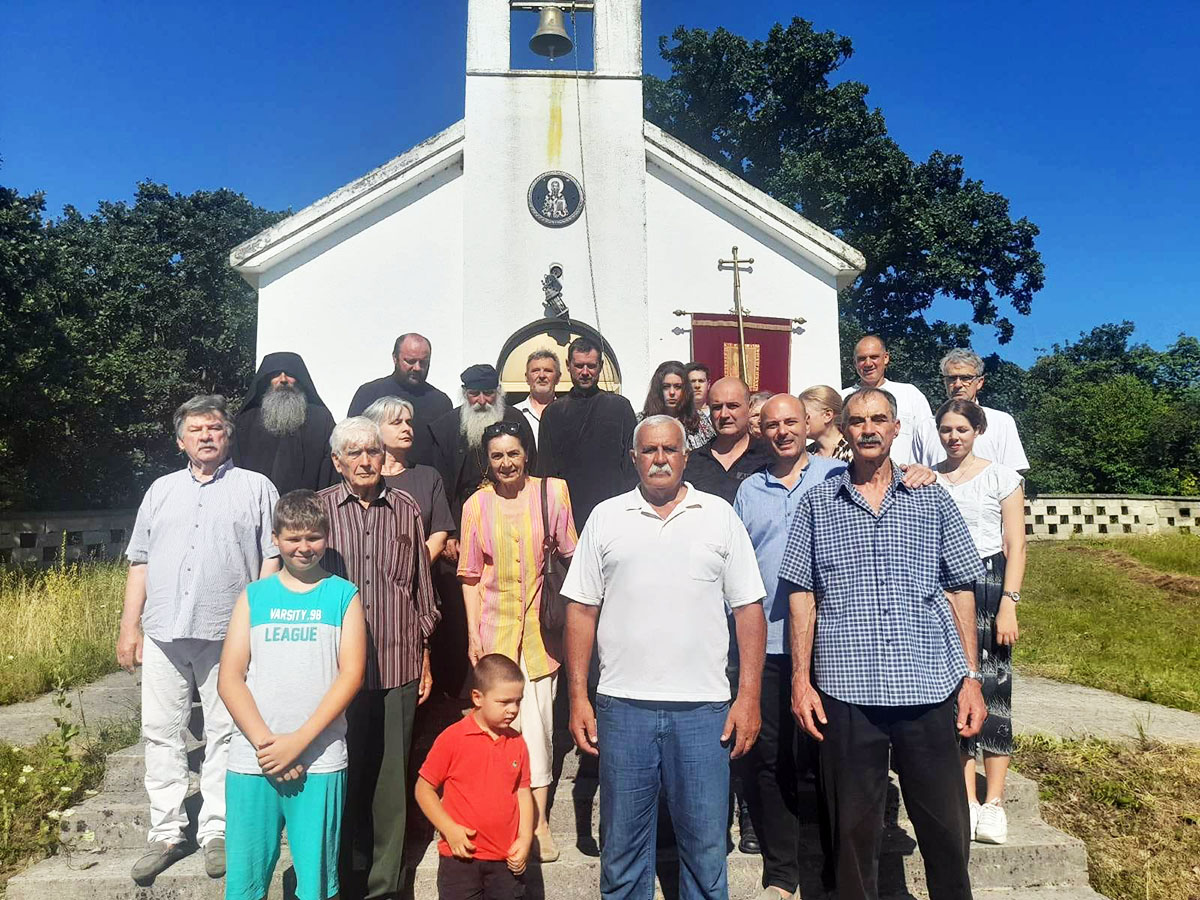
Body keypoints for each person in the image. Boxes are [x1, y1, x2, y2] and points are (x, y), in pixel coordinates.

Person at [780, 387, 988, 900]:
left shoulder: (930, 497)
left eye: (879, 419)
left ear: (896, 429)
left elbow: (960, 588)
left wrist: (971, 679)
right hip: (847, 691)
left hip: (927, 684)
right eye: (858, 420)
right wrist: (801, 681)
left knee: (945, 828)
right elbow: (802, 596)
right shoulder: (817, 504)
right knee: (851, 836)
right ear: (844, 431)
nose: (868, 429)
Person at [734, 395, 935, 900]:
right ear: (761, 431)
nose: (782, 432)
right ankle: (783, 870)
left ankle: (829, 869)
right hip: (768, 642)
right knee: (772, 760)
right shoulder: (749, 489)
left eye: (791, 422)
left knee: (830, 765)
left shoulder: (835, 476)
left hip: (831, 646)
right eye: (772, 424)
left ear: (810, 425)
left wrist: (921, 472)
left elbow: (884, 480)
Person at [563, 415, 767, 900]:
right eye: (649, 451)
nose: (659, 459)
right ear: (634, 458)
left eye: (669, 450)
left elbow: (749, 611)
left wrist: (748, 697)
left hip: (704, 711)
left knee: (706, 853)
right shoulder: (606, 517)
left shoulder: (718, 515)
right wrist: (578, 698)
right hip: (623, 707)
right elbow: (581, 611)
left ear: (684, 456)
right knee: (622, 854)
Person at [118, 395, 281, 886]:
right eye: (196, 429)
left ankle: (216, 831)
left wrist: (256, 624)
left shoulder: (256, 487)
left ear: (228, 435)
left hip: (226, 632)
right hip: (163, 630)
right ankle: (166, 833)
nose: (206, 436)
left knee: (225, 732)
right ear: (180, 440)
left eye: (214, 428)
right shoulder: (161, 490)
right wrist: (129, 627)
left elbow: (271, 557)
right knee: (160, 731)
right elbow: (140, 561)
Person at [218, 489, 367, 900]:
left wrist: (298, 743)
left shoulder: (344, 595)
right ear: (276, 539)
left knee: (315, 885)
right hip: (253, 762)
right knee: (244, 885)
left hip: (319, 761)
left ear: (327, 537)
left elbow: (351, 675)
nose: (304, 547)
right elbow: (230, 678)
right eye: (293, 538)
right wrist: (269, 747)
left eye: (313, 537)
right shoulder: (254, 596)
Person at [317, 417, 441, 900]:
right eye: (354, 453)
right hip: (335, 671)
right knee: (342, 775)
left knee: (391, 784)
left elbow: (421, 591)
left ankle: (386, 886)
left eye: (372, 451)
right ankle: (344, 877)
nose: (366, 461)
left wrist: (425, 654)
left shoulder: (406, 508)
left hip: (398, 663)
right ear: (337, 462)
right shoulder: (320, 511)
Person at [458, 420, 577, 862]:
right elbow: (470, 575)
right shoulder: (476, 505)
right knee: (500, 726)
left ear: (526, 452)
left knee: (539, 728)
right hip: (495, 633)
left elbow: (572, 555)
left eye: (513, 453)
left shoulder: (553, 493)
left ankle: (539, 822)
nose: (506, 463)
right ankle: (503, 815)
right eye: (497, 456)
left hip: (541, 635)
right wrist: (473, 634)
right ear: (487, 461)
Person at [933, 399, 1027, 846]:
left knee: (994, 688)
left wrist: (1009, 602)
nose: (954, 437)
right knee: (955, 690)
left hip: (989, 585)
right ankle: (966, 798)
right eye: (946, 430)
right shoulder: (929, 478)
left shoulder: (1001, 478)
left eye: (962, 430)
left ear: (977, 432)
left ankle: (994, 802)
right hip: (944, 589)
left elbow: (1016, 546)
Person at [426, 365, 537, 699]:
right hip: (461, 524)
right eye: (474, 394)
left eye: (488, 393)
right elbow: (439, 482)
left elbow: (533, 473)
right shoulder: (447, 426)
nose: (482, 400)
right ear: (465, 394)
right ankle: (462, 683)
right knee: (462, 604)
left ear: (498, 392)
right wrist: (449, 531)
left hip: (510, 522)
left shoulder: (516, 421)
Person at [416, 654, 534, 900]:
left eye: (518, 701)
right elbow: (423, 789)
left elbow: (523, 792)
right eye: (504, 702)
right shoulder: (452, 739)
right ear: (477, 697)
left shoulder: (517, 743)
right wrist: (449, 829)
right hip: (460, 858)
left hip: (505, 859)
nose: (513, 709)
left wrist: (525, 839)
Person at [536, 337, 638, 529]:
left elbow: (632, 468)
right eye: (579, 366)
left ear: (600, 366)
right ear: (568, 365)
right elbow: (546, 474)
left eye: (591, 366)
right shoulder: (553, 413)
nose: (585, 372)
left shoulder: (620, 408)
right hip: (569, 517)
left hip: (614, 515)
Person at [363, 395, 454, 562]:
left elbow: (439, 535)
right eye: (397, 422)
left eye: (409, 422)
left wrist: (414, 568)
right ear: (374, 430)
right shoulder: (363, 478)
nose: (407, 428)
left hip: (419, 571)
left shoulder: (428, 477)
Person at [233, 352, 338, 495]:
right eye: (276, 374)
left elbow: (329, 471)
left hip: (308, 506)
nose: (283, 379)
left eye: (289, 374)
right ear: (267, 379)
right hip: (256, 504)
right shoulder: (246, 421)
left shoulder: (321, 419)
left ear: (300, 379)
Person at [913, 349, 1031, 473]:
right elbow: (916, 473)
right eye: (952, 378)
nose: (958, 384)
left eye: (966, 378)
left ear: (979, 382)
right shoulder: (926, 427)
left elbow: (1013, 475)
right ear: (945, 382)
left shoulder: (1001, 422)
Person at [347, 333, 453, 462]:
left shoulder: (440, 402)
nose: (417, 368)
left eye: (423, 362)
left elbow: (446, 452)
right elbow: (351, 441)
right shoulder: (369, 393)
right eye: (410, 361)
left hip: (425, 474)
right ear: (395, 358)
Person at [840, 336, 933, 465]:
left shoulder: (910, 394)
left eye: (874, 357)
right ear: (855, 363)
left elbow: (928, 439)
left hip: (906, 475)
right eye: (862, 359)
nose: (868, 363)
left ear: (886, 358)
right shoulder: (842, 398)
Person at [683, 377, 773, 505]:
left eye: (732, 406)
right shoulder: (692, 462)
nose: (724, 415)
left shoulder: (769, 457)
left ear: (749, 407)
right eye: (717, 407)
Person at [638, 359, 713, 450]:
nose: (672, 392)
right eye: (666, 387)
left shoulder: (699, 421)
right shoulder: (641, 421)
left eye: (678, 387)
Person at [514, 349, 561, 447]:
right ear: (527, 378)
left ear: (558, 378)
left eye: (548, 371)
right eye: (535, 371)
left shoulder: (568, 414)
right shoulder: (513, 414)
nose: (542, 375)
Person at [799, 385, 853, 463]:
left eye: (805, 415)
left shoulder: (853, 453)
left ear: (827, 415)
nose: (800, 421)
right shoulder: (806, 455)